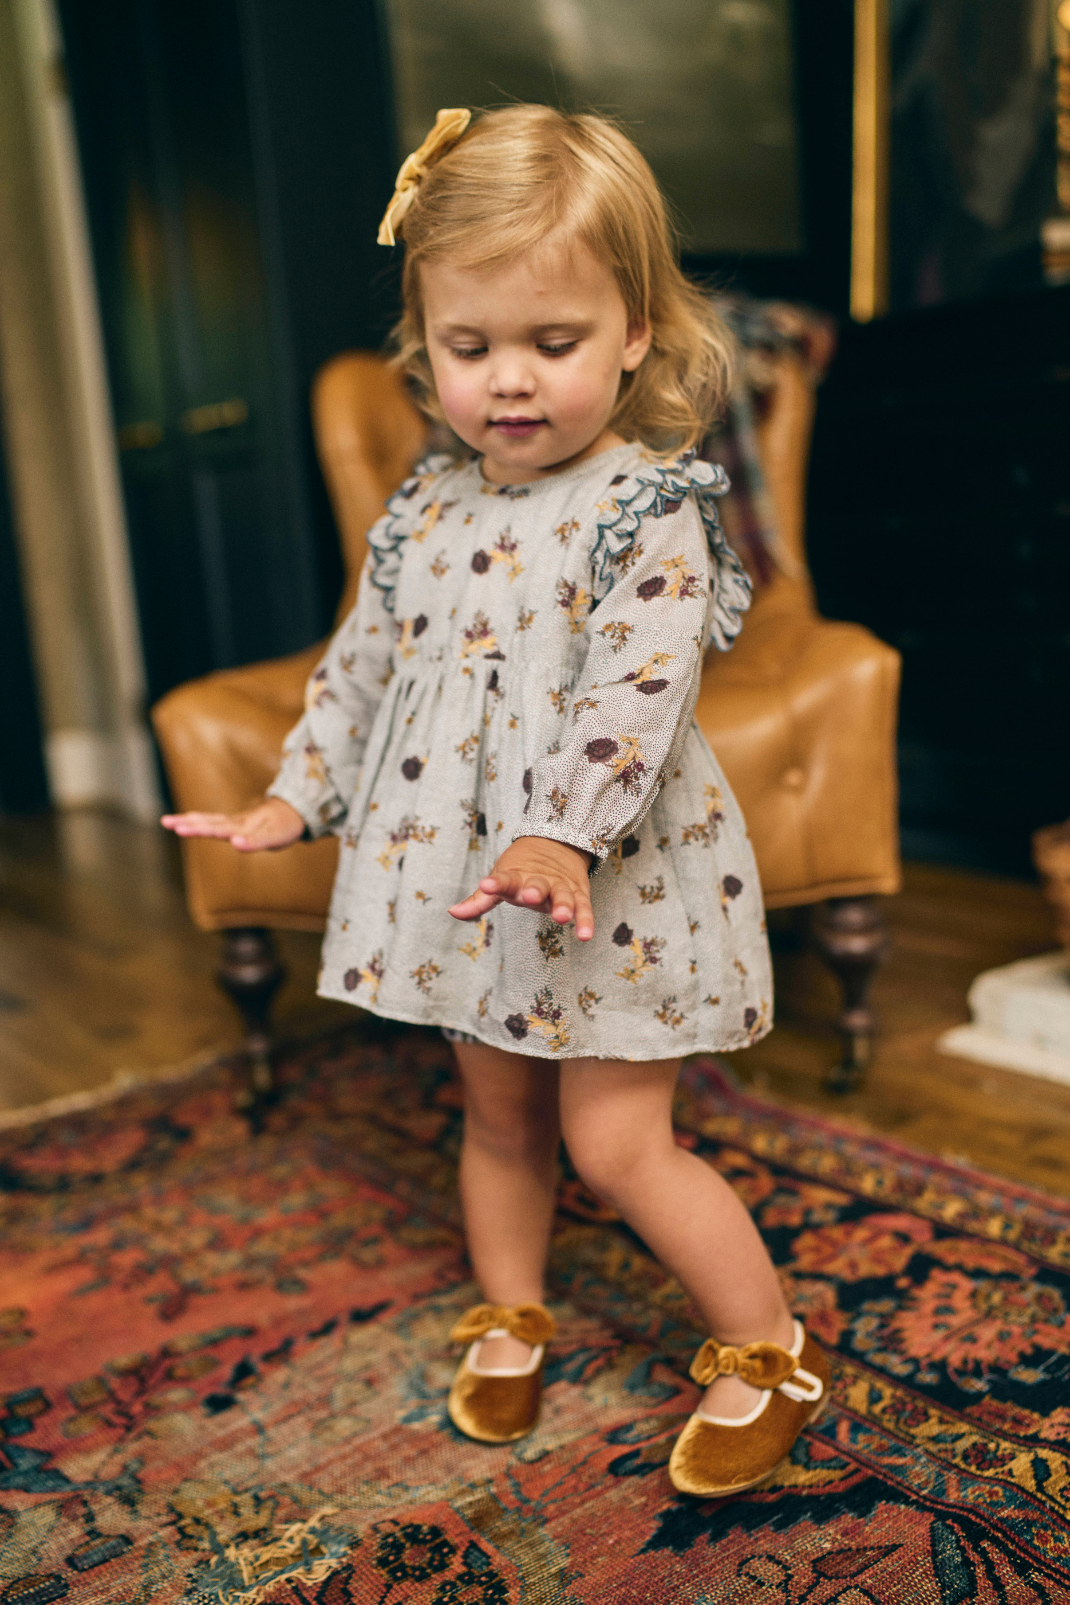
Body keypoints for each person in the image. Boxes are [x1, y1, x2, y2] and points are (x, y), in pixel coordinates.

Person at [162, 104, 828, 1496]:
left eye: (552, 343)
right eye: (470, 350)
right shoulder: (423, 511)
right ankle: (511, 1316)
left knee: (615, 1141)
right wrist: (294, 800)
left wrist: (557, 830)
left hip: (611, 889)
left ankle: (765, 1346)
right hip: (466, 887)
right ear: (427, 347)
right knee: (499, 1119)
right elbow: (357, 668)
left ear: (635, 330)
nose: (507, 383)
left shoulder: (649, 504)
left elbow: (633, 695)